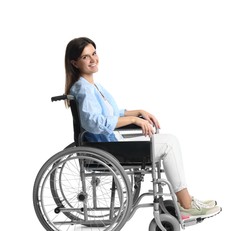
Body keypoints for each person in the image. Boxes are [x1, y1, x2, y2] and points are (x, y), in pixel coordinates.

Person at [64, 37, 221, 220]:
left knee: (169, 140)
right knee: (168, 144)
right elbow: (94, 123)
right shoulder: (83, 89)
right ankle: (186, 205)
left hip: (110, 145)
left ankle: (185, 201)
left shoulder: (93, 86)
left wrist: (138, 112)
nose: (93, 59)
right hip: (105, 150)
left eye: (94, 53)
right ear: (75, 63)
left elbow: (112, 113)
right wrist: (134, 120)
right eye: (86, 57)